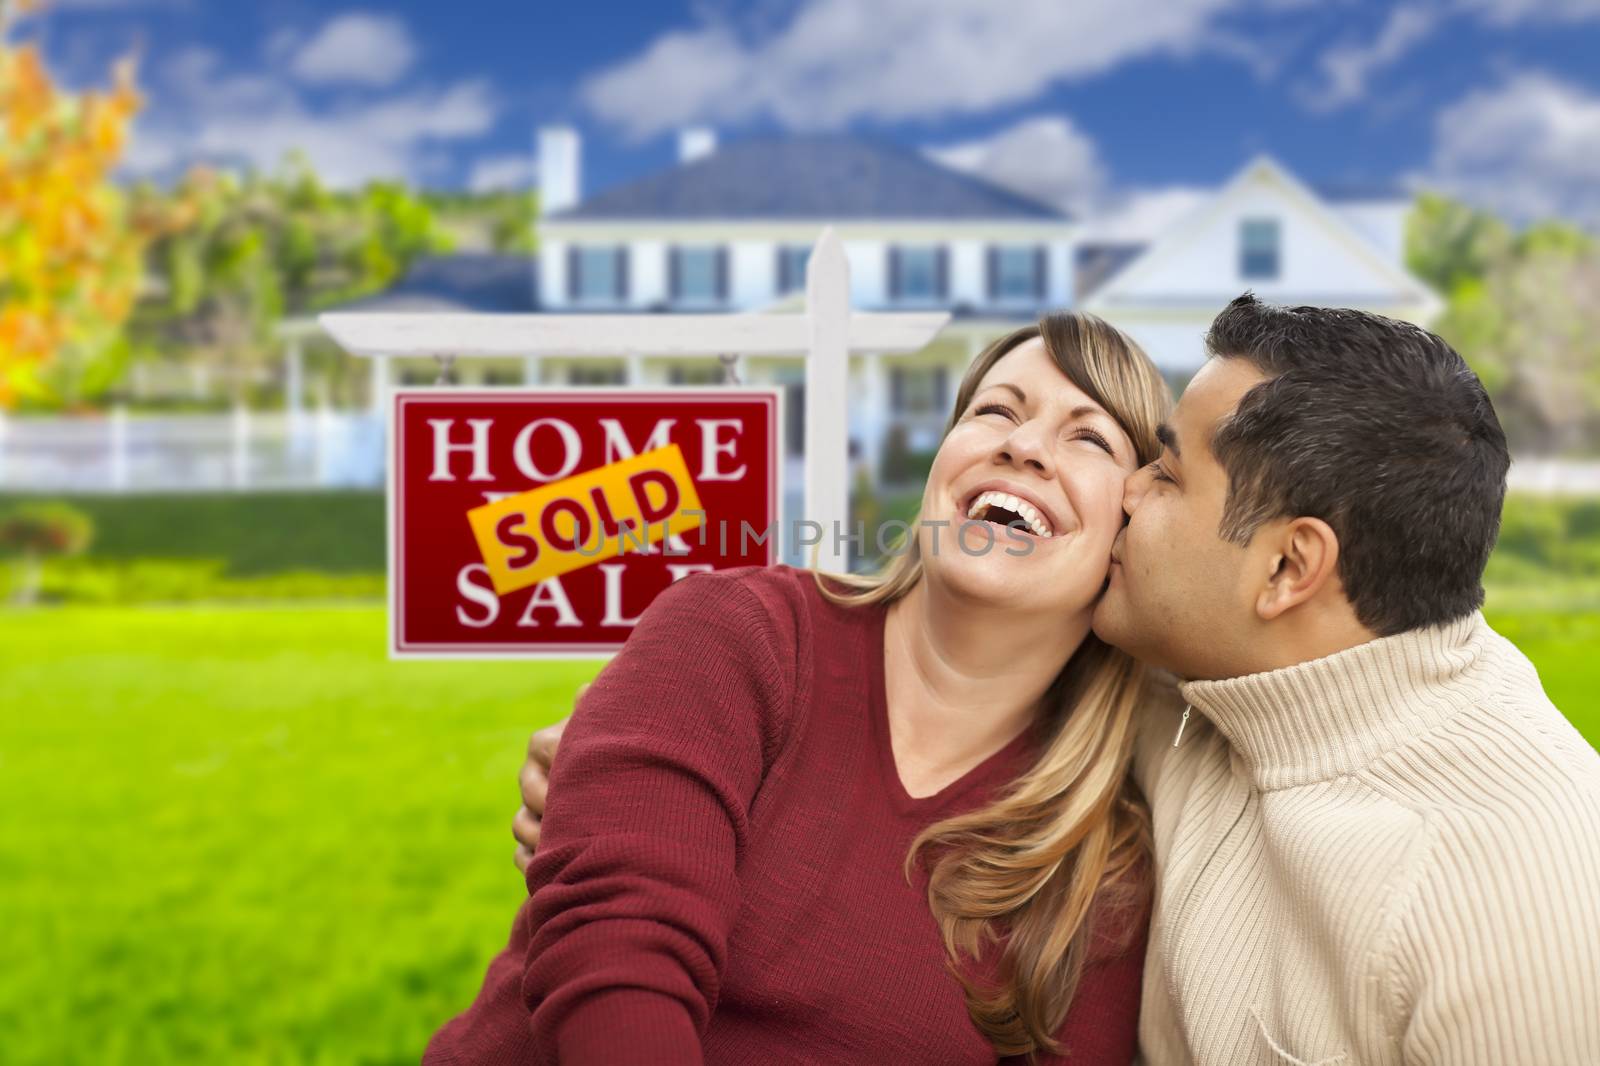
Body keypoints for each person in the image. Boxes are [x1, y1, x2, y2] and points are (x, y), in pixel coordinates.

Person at [517, 296, 1600, 1065]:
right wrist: (624, 775)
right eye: (991, 412)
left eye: (1154, 471)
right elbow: (622, 905)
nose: (1121, 493)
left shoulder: (1523, 892)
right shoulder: (1199, 697)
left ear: (1286, 568)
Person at [424, 312, 1175, 1065]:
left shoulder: (1098, 867)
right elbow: (616, 960)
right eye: (994, 411)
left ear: (1129, 536)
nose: (1023, 444)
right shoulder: (735, 630)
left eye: (1088, 437)